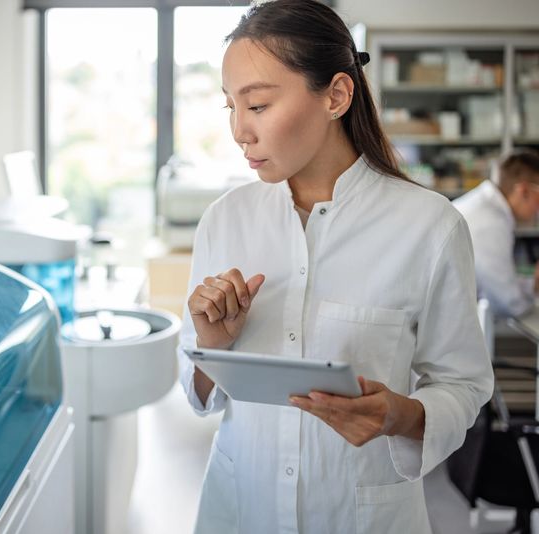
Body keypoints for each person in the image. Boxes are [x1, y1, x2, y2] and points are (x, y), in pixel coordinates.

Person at [177, 1, 494, 533]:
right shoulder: (225, 220)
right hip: (240, 508)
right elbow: (198, 392)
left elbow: (462, 385)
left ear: (337, 95)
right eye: (229, 106)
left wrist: (398, 415)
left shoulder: (429, 226)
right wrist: (212, 344)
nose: (239, 130)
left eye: (256, 106)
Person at [453, 149, 539, 317]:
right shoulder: (490, 223)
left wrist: (533, 285)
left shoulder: (487, 207)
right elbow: (508, 302)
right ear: (524, 191)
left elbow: (502, 281)